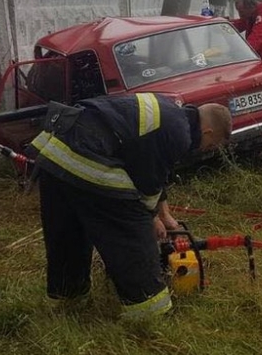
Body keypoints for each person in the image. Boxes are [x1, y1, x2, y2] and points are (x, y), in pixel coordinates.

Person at [27, 93, 232, 320]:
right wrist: (152, 220)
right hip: (87, 154)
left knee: (69, 232)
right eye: (210, 145)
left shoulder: (172, 113)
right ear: (208, 132)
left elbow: (156, 173)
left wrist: (166, 216)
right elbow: (146, 183)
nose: (205, 149)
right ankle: (148, 310)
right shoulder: (181, 135)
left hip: (56, 152)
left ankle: (69, 298)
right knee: (131, 230)